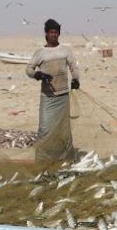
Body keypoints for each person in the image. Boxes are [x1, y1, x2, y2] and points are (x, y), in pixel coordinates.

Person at [26, 19, 81, 162]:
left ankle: (66, 158)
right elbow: (29, 69)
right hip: (48, 98)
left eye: (56, 32)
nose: (53, 35)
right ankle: (43, 159)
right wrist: (37, 75)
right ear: (46, 33)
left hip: (63, 97)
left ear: (59, 34)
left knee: (64, 131)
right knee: (45, 129)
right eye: (51, 32)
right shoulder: (40, 52)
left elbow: (74, 67)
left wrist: (75, 79)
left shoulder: (65, 50)